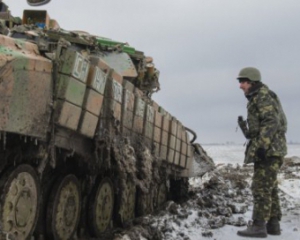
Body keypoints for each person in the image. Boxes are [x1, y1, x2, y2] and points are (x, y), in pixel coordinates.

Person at [236, 67, 287, 238]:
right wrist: (244, 127)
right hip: (271, 149)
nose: (240, 86)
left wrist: (263, 146)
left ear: (252, 81)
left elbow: (271, 122)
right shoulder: (258, 97)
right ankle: (273, 225)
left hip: (269, 149)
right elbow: (258, 129)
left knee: (260, 187)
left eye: (242, 82)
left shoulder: (262, 96)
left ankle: (258, 226)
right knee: (269, 187)